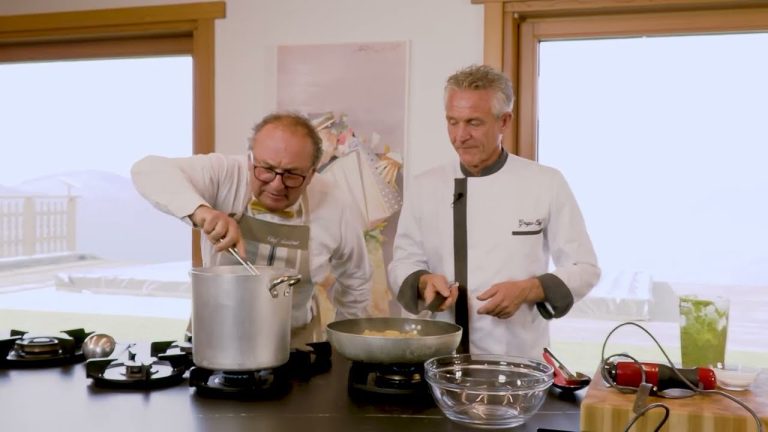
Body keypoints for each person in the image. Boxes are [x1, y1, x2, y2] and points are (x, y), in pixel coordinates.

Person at [387, 65, 600, 358]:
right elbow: (402, 263)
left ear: (504, 121)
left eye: (474, 122)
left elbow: (584, 268)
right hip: (439, 359)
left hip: (517, 359)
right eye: (452, 122)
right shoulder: (425, 186)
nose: (460, 136)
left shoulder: (546, 183)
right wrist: (423, 282)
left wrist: (530, 289)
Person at [132, 112, 373, 346]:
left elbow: (356, 280)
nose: (277, 185)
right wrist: (203, 212)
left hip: (294, 347)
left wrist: (342, 349)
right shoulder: (224, 173)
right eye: (266, 169)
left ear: (311, 174)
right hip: (215, 342)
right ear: (250, 160)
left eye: (292, 175)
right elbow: (147, 169)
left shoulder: (336, 203)